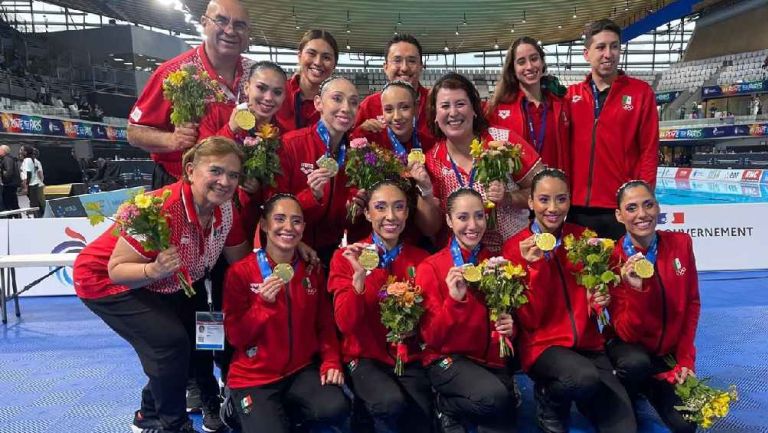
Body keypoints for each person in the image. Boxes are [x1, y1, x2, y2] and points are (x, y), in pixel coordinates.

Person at [72, 137, 251, 433]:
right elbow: (116, 270)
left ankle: (149, 413)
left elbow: (240, 258)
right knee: (169, 342)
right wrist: (153, 269)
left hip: (171, 282)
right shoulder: (160, 208)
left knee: (201, 336)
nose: (225, 181)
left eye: (233, 175)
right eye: (216, 171)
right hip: (103, 280)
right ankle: (173, 425)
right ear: (190, 170)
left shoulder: (225, 209)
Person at [502, 169, 636, 433]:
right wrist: (534, 268)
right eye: (544, 199)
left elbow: (605, 291)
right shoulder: (515, 247)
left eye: (561, 199)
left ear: (569, 201)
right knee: (583, 378)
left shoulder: (583, 238)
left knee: (625, 428)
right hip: (543, 347)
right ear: (530, 202)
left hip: (589, 345)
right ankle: (549, 397)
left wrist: (600, 300)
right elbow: (529, 320)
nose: (552, 208)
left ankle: (585, 399)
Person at [222, 194, 350, 433]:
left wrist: (331, 361)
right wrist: (263, 305)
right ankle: (240, 406)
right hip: (254, 377)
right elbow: (235, 337)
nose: (288, 227)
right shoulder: (241, 273)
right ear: (264, 224)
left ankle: (278, 412)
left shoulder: (311, 270)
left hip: (299, 370)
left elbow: (324, 324)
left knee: (335, 408)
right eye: (279, 219)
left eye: (296, 221)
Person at [327, 180, 433, 433]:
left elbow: (431, 318)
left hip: (407, 356)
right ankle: (363, 414)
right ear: (367, 213)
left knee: (422, 418)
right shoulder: (347, 257)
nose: (391, 216)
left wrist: (416, 331)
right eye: (381, 207)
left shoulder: (422, 260)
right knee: (389, 404)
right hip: (363, 356)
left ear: (407, 212)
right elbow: (346, 324)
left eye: (399, 207)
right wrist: (359, 281)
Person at [416, 188, 518, 433]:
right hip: (446, 360)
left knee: (505, 405)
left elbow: (503, 321)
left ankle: (463, 405)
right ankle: (445, 405)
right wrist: (453, 300)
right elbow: (431, 339)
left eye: (479, 216)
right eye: (463, 217)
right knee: (493, 398)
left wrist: (509, 328)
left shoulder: (494, 262)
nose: (473, 225)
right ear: (449, 221)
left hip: (488, 360)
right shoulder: (431, 267)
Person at [127, 0, 252, 189]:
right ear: (204, 22)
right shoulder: (174, 72)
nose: (230, 30)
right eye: (221, 21)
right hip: (181, 183)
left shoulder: (256, 75)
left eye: (239, 25)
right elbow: (134, 132)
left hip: (235, 186)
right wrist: (172, 140)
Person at [607, 180, 700, 433]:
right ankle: (629, 387)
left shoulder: (681, 244)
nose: (642, 214)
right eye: (632, 207)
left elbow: (691, 304)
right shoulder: (613, 260)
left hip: (666, 355)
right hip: (632, 351)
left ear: (657, 207)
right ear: (619, 215)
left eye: (648, 205)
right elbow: (627, 332)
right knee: (635, 364)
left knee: (687, 424)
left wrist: (685, 361)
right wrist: (636, 290)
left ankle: (651, 384)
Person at [425, 73, 542, 252]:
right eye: (445, 106)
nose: (453, 112)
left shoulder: (502, 141)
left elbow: (543, 193)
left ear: (474, 109)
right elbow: (432, 226)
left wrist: (509, 198)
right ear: (435, 114)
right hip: (462, 262)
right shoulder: (431, 162)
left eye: (461, 104)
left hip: (513, 255)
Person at [566, 19, 659, 240]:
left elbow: (649, 150)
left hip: (620, 207)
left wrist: (641, 201)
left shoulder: (640, 93)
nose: (609, 54)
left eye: (614, 46)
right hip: (576, 207)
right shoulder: (570, 96)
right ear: (586, 54)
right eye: (601, 47)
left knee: (622, 273)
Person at [273, 76, 365, 265]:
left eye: (353, 102)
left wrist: (354, 210)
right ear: (318, 103)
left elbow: (344, 219)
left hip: (330, 250)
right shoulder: (291, 145)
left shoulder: (354, 155)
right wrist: (312, 195)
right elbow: (271, 204)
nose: (346, 108)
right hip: (289, 247)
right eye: (337, 99)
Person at [198, 60, 288, 239]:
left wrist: (258, 190)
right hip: (207, 217)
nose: (269, 98)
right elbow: (199, 159)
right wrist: (231, 129)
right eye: (261, 88)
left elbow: (279, 186)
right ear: (247, 88)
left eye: (277, 92)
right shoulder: (217, 114)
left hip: (245, 224)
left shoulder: (282, 136)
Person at [352, 80, 442, 244]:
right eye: (388, 109)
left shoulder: (429, 144)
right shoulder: (369, 140)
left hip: (416, 236)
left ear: (416, 108)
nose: (397, 116)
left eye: (405, 107)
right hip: (374, 237)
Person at [486, 36, 570, 172]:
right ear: (512, 68)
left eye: (534, 59)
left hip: (556, 188)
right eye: (521, 62)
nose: (529, 66)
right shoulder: (497, 110)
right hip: (519, 191)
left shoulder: (562, 105)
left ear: (542, 62)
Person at [354, 34, 435, 151]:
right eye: (397, 60)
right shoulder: (368, 106)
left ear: (421, 66)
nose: (404, 68)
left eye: (412, 61)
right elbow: (350, 144)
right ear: (385, 67)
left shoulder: (435, 101)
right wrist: (360, 131)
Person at [274, 30, 338, 132]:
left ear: (334, 65)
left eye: (326, 57)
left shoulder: (339, 103)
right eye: (312, 54)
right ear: (299, 57)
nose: (318, 62)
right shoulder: (277, 92)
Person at [19, 145, 45, 217]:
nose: (20, 151)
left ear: (26, 152)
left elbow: (29, 174)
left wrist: (26, 187)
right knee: (36, 203)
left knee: (36, 204)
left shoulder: (28, 160)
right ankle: (39, 217)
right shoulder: (30, 160)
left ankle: (39, 218)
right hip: (33, 184)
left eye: (21, 150)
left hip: (33, 185)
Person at [0, 145, 20, 213]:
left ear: (4, 151)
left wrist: (4, 178)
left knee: (8, 202)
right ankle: (16, 216)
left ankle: (11, 217)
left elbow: (9, 171)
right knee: (13, 201)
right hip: (12, 183)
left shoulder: (6, 159)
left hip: (9, 184)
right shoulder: (10, 158)